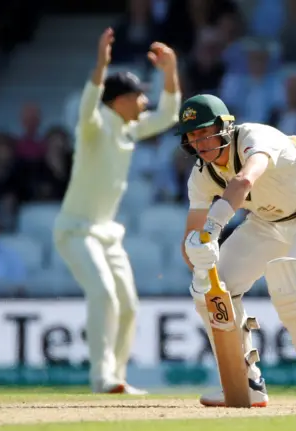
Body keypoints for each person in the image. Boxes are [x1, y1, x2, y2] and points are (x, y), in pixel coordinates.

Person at [176, 94, 296, 409]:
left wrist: (213, 230)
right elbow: (191, 239)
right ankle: (245, 382)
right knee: (210, 288)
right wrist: (197, 253)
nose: (199, 142)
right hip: (269, 221)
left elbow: (245, 179)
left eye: (205, 132)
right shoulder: (202, 176)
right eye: (192, 136)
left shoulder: (256, 136)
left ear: (225, 127)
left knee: (294, 284)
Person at [53, 28, 181, 394]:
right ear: (119, 100)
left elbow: (169, 114)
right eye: (139, 96)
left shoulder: (128, 129)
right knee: (105, 295)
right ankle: (100, 376)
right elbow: (88, 105)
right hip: (75, 230)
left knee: (128, 304)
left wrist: (170, 71)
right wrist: (99, 67)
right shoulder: (94, 127)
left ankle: (116, 378)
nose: (144, 102)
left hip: (106, 232)